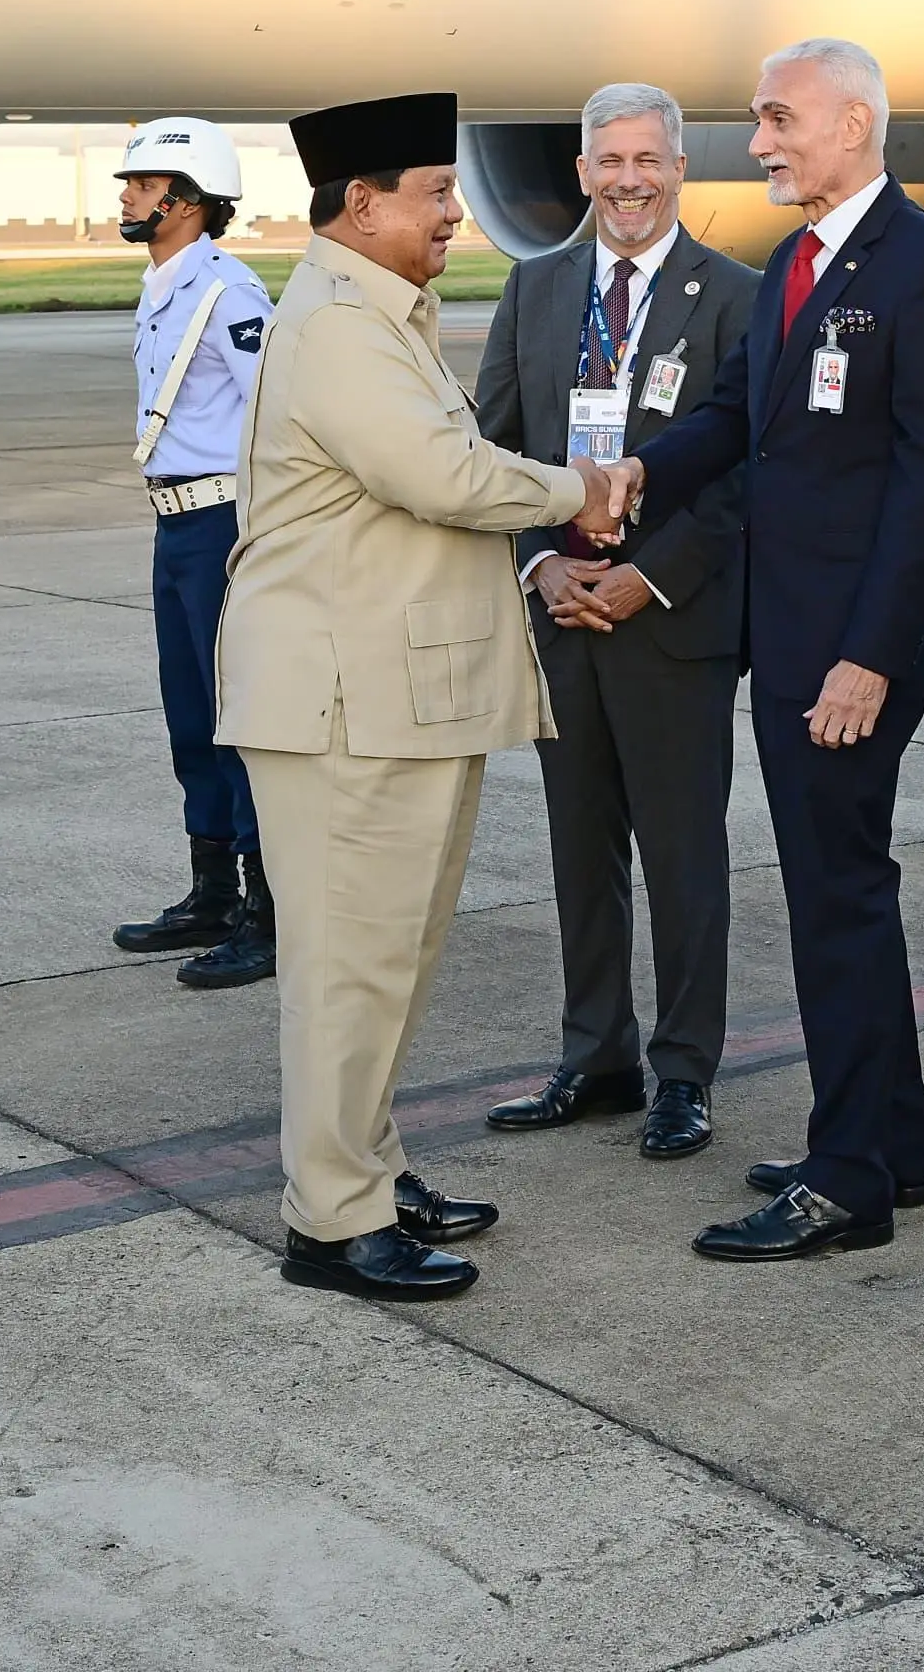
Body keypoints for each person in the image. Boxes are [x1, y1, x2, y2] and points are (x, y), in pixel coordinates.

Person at [213, 92, 627, 1301]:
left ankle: (370, 1170)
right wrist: (580, 488)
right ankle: (332, 1222)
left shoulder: (378, 311)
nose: (455, 214)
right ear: (361, 204)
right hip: (347, 705)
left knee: (387, 959)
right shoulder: (342, 322)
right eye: (433, 193)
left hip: (390, 694)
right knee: (349, 969)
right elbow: (437, 473)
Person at [602, 38, 924, 1262]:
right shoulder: (796, 257)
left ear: (855, 122)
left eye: (778, 119)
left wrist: (870, 655)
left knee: (835, 903)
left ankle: (844, 1177)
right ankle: (891, 1139)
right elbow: (736, 417)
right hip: (790, 641)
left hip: (845, 657)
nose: (758, 141)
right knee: (842, 890)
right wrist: (637, 470)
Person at [473, 83, 757, 1160]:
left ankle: (683, 1071)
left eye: (648, 159)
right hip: (561, 621)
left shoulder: (731, 295)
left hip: (669, 622)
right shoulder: (534, 288)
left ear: (679, 168)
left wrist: (651, 576)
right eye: (609, 160)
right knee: (578, 850)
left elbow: (744, 469)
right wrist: (540, 560)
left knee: (683, 856)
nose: (628, 180)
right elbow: (494, 452)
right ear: (583, 170)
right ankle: (596, 1055)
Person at [102, 117, 280, 990]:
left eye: (140, 185)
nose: (126, 196)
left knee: (237, 717)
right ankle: (211, 888)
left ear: (185, 199)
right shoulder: (169, 282)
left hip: (221, 523)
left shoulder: (228, 290)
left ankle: (266, 910)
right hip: (175, 524)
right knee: (189, 713)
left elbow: (277, 414)